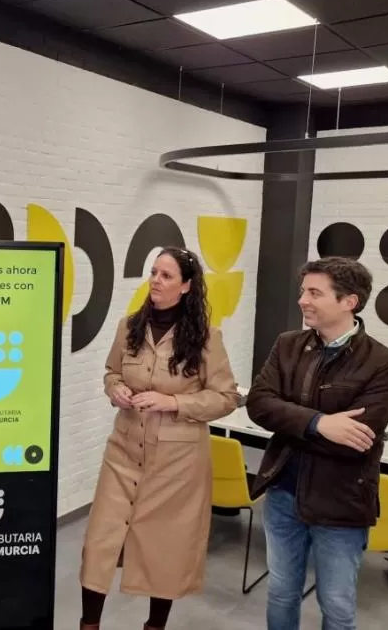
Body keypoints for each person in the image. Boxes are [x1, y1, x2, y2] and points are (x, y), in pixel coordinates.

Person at [79, 246, 240, 630]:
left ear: (186, 286)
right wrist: (115, 389)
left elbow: (226, 397)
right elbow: (111, 372)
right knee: (99, 544)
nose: (155, 280)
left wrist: (173, 402)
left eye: (166, 275)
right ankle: (89, 624)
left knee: (166, 549)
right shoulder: (129, 327)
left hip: (177, 466)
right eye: (153, 272)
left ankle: (155, 626)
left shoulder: (207, 338)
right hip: (123, 452)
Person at [247, 257, 388, 630]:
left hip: (341, 503)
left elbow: (357, 439)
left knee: (336, 605)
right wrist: (319, 423)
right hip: (283, 494)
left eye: (314, 293)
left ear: (349, 301)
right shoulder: (288, 345)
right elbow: (259, 404)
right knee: (281, 592)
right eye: (303, 291)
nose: (302, 300)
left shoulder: (383, 363)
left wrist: (290, 420)